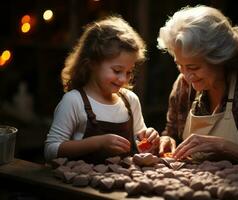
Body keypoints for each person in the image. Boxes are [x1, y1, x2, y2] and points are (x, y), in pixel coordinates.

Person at [157, 5, 238, 165]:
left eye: (194, 67)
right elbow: (171, 132)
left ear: (220, 58)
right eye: (180, 65)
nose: (186, 76)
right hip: (193, 185)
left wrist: (224, 147)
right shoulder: (183, 84)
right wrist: (166, 140)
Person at [44, 16, 159, 163]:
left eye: (129, 72)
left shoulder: (130, 101)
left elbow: (141, 147)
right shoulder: (74, 101)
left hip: (124, 184)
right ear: (92, 63)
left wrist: (149, 140)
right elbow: (50, 150)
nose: (124, 79)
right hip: (79, 184)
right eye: (117, 70)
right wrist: (97, 143)